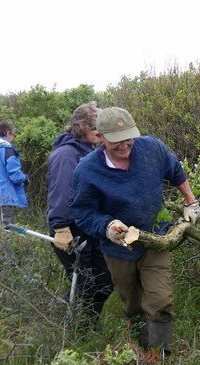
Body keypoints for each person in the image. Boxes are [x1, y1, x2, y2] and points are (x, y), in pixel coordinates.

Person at [71, 107, 200, 358]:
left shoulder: (152, 148)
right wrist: (107, 226)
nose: (124, 145)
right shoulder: (87, 171)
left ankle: (159, 358)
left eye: (128, 138)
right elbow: (83, 212)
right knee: (133, 304)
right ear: (99, 137)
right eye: (116, 141)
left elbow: (174, 170)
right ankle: (141, 353)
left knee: (161, 302)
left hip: (154, 239)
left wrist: (190, 201)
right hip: (118, 249)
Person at [47, 102, 114, 330]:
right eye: (96, 127)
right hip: (70, 229)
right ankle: (72, 330)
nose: (100, 132)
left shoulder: (91, 150)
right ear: (82, 126)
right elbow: (61, 191)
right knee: (84, 283)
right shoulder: (66, 154)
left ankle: (89, 324)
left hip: (91, 226)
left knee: (105, 280)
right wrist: (61, 227)